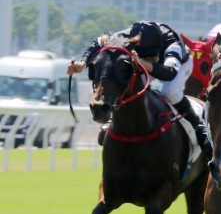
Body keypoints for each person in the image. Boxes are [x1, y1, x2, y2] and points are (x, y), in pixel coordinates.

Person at [68, 20, 213, 159]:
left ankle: (199, 127)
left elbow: (169, 73)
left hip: (179, 65)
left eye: (151, 56)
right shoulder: (124, 37)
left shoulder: (171, 43)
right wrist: (83, 63)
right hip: (140, 61)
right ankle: (112, 121)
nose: (149, 59)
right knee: (129, 86)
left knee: (170, 92)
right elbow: (100, 42)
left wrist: (143, 62)